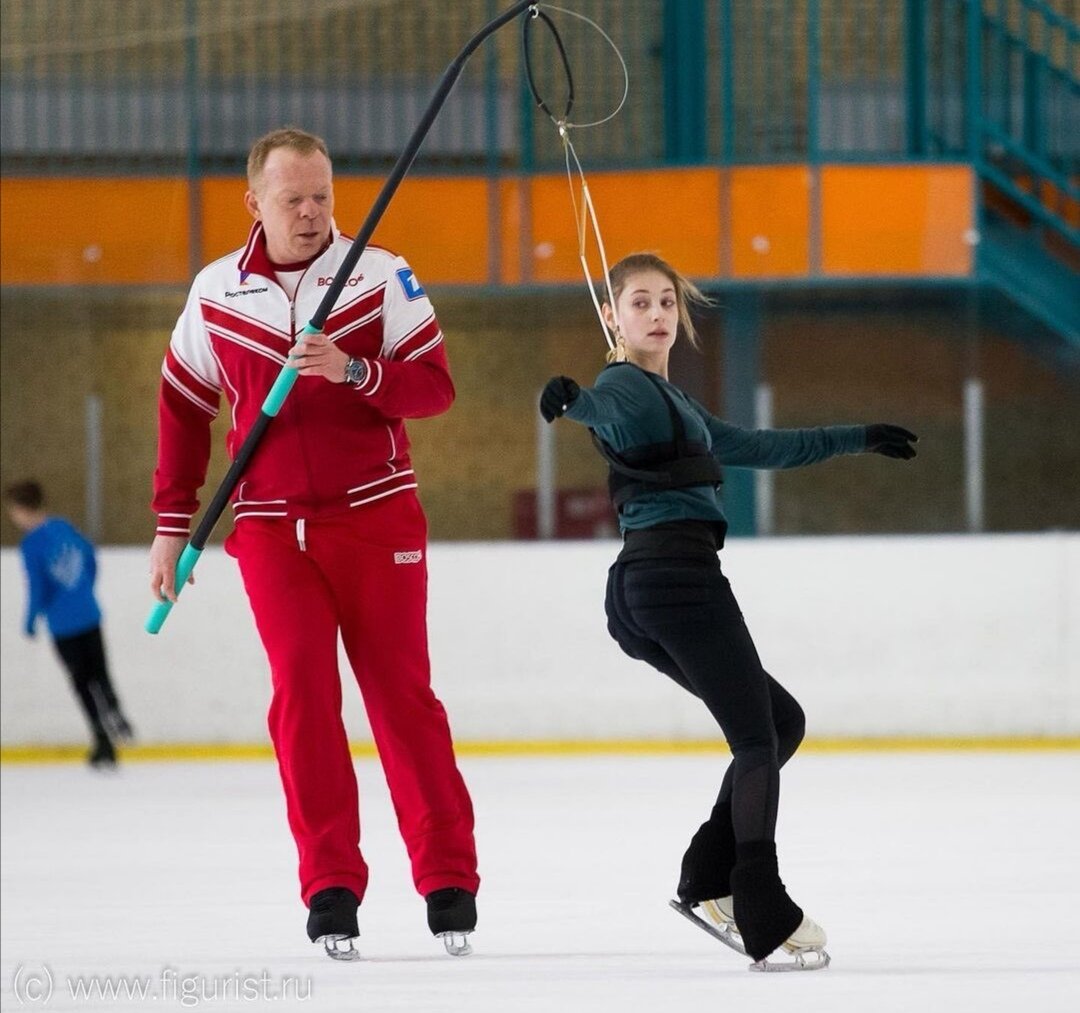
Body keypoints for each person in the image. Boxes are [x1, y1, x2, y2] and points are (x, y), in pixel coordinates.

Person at [148, 127, 479, 960]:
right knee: (301, 694)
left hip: (376, 515)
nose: (311, 212)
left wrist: (354, 370)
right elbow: (183, 406)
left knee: (402, 698)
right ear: (253, 201)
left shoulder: (380, 275)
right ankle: (330, 885)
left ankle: (447, 877)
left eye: (323, 196)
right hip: (266, 523)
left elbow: (436, 387)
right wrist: (170, 524)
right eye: (293, 198)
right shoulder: (216, 292)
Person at [539, 252, 917, 971]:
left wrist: (859, 435)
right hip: (675, 583)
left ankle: (708, 876)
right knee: (757, 737)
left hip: (649, 587)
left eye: (666, 303)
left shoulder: (680, 405)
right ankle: (758, 902)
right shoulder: (624, 388)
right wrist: (569, 400)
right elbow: (600, 410)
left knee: (779, 723)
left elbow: (769, 446)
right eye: (640, 302)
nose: (656, 314)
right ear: (612, 316)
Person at [5, 480, 135, 770]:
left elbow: (38, 587)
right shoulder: (63, 527)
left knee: (82, 683)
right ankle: (114, 710)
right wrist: (84, 588)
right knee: (100, 673)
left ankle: (103, 740)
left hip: (63, 625)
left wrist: (29, 621)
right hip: (89, 612)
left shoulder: (31, 545)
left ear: (21, 509)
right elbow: (89, 557)